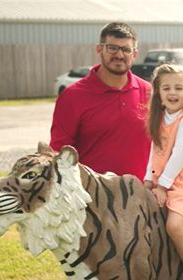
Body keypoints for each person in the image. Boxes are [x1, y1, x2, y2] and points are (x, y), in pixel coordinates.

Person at [50, 22, 151, 181]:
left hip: (141, 196)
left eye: (126, 49)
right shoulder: (72, 97)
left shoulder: (149, 92)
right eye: (112, 48)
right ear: (99, 49)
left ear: (134, 54)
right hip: (94, 199)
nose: (119, 55)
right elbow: (60, 153)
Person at [144, 64, 183, 280]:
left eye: (179, 88)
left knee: (173, 226)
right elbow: (155, 153)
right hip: (163, 179)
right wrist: (147, 181)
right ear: (158, 93)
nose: (172, 93)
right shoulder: (160, 117)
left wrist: (162, 186)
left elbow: (178, 158)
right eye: (166, 88)